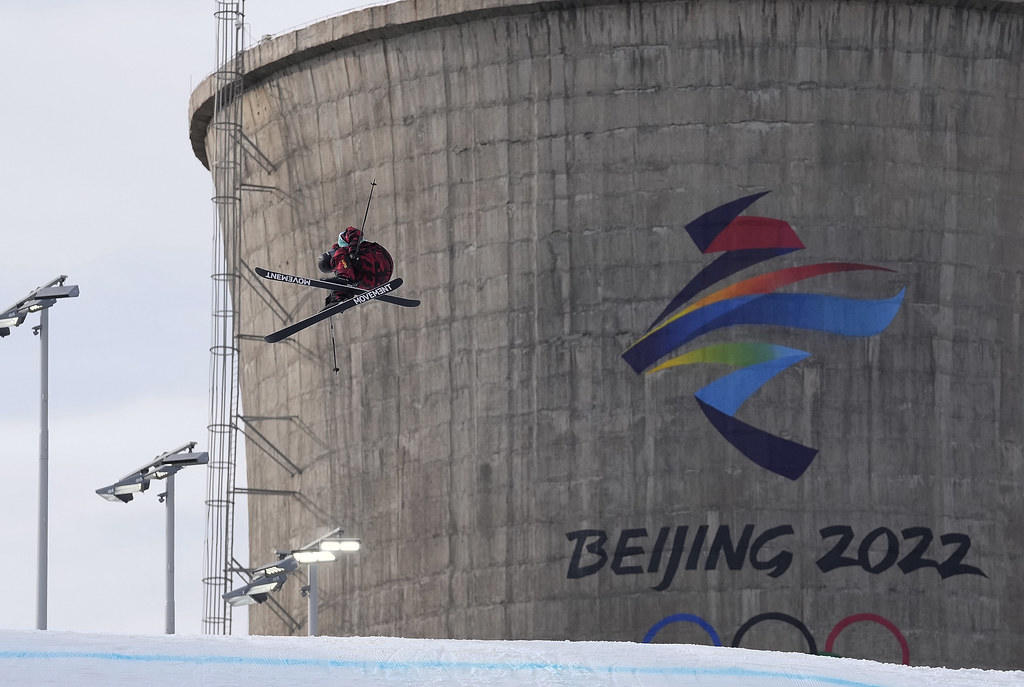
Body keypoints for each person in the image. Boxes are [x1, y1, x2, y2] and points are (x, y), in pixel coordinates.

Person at [317, 226, 394, 306]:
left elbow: (354, 232)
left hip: (380, 260)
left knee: (345, 274)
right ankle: (340, 297)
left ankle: (341, 292)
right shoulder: (344, 267)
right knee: (349, 278)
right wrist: (333, 298)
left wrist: (352, 250)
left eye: (333, 261)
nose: (336, 262)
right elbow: (345, 276)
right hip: (376, 280)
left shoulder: (341, 243)